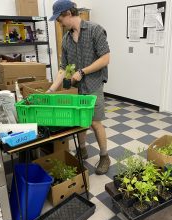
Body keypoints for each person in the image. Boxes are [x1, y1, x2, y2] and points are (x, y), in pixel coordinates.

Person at [48, 0, 111, 175]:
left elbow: (105, 59)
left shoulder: (94, 30)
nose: (59, 23)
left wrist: (82, 72)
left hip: (93, 84)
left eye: (59, 18)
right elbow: (63, 68)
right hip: (77, 88)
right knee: (79, 120)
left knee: (94, 122)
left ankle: (105, 156)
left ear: (68, 13)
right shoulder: (66, 39)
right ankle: (82, 149)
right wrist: (52, 89)